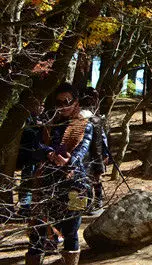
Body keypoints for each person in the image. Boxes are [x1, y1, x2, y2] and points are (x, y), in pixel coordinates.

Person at [25, 83, 93, 265]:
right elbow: (36, 147)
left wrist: (68, 161)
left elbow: (83, 149)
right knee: (37, 231)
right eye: (58, 102)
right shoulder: (50, 123)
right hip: (45, 182)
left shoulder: (85, 124)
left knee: (71, 231)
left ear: (76, 102)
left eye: (67, 101)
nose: (62, 106)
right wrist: (48, 153)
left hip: (76, 183)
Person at [79, 88, 109, 214]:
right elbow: (101, 140)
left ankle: (88, 205)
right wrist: (103, 155)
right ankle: (94, 204)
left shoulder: (80, 117)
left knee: (85, 181)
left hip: (84, 156)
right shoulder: (94, 120)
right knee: (93, 180)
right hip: (91, 155)